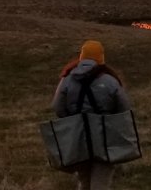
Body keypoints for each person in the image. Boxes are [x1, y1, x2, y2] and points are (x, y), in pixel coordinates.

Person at [51, 40, 132, 190]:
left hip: (77, 137)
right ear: (101, 58)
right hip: (104, 137)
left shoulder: (67, 80)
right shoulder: (110, 81)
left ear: (81, 56)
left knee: (84, 181)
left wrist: (74, 119)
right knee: (100, 183)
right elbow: (124, 109)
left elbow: (58, 108)